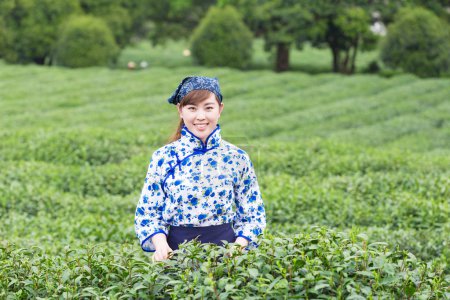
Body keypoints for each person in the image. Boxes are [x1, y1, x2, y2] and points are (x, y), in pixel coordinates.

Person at [134, 76, 266, 262]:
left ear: (220, 109)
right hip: (176, 255)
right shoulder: (163, 157)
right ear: (180, 110)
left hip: (227, 256)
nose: (201, 116)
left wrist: (238, 247)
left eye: (208, 107)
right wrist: (161, 245)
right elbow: (148, 212)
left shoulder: (238, 158)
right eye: (192, 108)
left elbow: (253, 213)